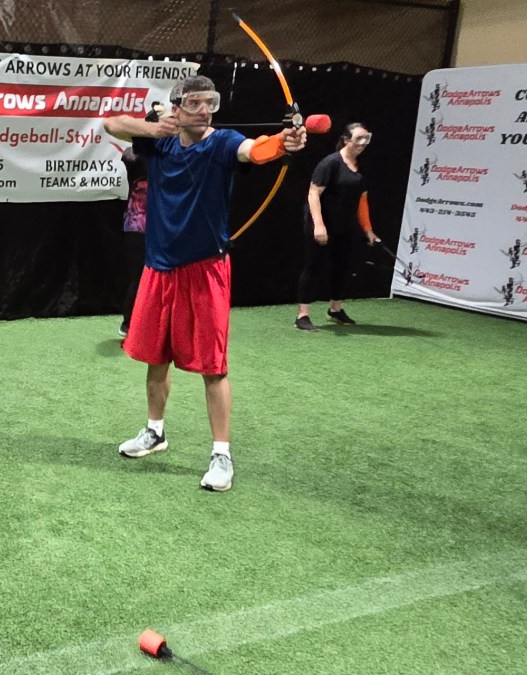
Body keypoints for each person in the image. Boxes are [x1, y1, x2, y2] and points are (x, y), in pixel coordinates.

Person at [104, 75, 306, 491]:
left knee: (213, 367)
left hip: (204, 270)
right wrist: (155, 128)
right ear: (176, 107)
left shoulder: (223, 142)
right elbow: (111, 123)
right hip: (158, 268)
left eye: (209, 102)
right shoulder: (160, 143)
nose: (204, 110)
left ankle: (221, 455)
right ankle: (154, 432)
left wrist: (284, 142)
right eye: (194, 103)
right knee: (156, 357)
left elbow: (256, 150)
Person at [294, 123, 378, 331]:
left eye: (366, 138)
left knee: (342, 267)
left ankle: (335, 309)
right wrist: (319, 225)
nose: (363, 143)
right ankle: (302, 315)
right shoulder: (330, 163)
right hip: (321, 224)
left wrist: (367, 228)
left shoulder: (361, 166)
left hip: (345, 226)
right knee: (313, 267)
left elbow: (362, 199)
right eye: (359, 139)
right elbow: (313, 193)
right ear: (347, 139)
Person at [119, 146, 147, 338]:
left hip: (155, 227)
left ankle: (139, 324)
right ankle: (129, 323)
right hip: (138, 226)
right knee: (138, 277)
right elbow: (129, 155)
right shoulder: (135, 155)